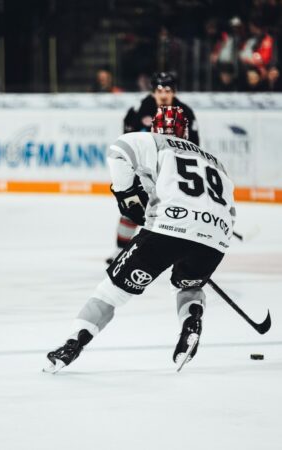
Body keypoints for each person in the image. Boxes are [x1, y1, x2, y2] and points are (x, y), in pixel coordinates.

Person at [45, 106, 236, 373]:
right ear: (186, 130)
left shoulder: (154, 141)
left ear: (155, 127)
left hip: (169, 229)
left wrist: (125, 193)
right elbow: (229, 210)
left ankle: (72, 345)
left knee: (110, 292)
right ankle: (191, 322)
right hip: (215, 238)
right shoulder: (216, 162)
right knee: (188, 287)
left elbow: (119, 150)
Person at [116, 72, 200, 262]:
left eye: (168, 90)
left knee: (176, 214)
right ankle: (119, 251)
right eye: (159, 90)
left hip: (175, 173)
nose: (163, 94)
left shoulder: (185, 112)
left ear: (174, 92)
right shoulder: (139, 109)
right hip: (144, 171)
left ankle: (179, 255)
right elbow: (128, 140)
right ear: (153, 92)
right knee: (132, 208)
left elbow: (194, 148)